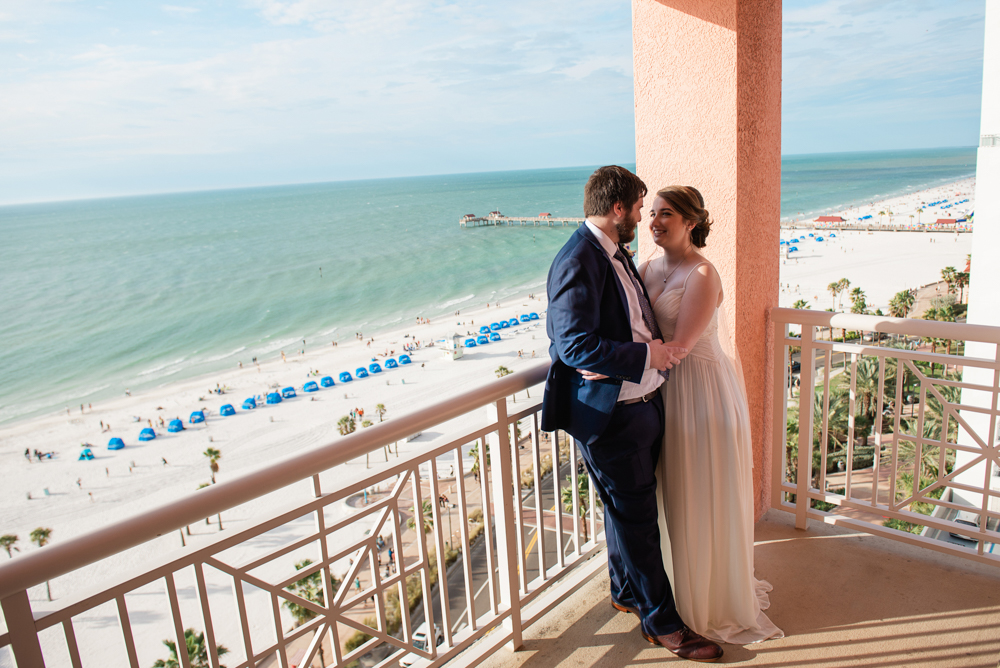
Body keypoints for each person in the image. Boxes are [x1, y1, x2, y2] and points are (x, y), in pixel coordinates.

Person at [541, 165, 722, 662]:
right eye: (642, 208)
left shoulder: (614, 252)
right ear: (619, 207)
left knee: (623, 512)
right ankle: (664, 625)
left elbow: (629, 320)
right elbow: (571, 341)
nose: (644, 218)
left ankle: (623, 590)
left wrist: (646, 364)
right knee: (638, 519)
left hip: (642, 402)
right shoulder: (578, 257)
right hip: (612, 414)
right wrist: (645, 357)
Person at [637, 185, 782, 644]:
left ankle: (710, 598)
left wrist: (626, 360)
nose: (656, 222)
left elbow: (679, 347)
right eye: (653, 214)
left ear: (691, 222)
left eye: (667, 215)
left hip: (700, 392)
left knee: (701, 487)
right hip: (665, 392)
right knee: (675, 489)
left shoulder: (702, 273)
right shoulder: (645, 268)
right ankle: (676, 591)